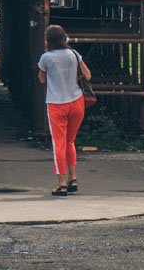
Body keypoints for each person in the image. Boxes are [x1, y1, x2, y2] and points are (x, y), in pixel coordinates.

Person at [36, 24, 91, 197]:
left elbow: (42, 79)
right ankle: (73, 178)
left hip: (56, 104)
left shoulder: (46, 58)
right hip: (76, 102)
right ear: (64, 38)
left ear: (48, 40)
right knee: (70, 141)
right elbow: (88, 75)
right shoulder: (74, 54)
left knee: (58, 143)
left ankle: (62, 184)